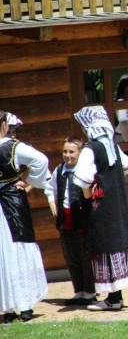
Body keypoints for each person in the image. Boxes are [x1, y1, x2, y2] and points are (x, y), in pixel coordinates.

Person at [73, 106, 128, 311]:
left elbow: (82, 178)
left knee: (105, 245)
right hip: (117, 203)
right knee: (115, 243)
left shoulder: (91, 149)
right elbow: (126, 166)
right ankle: (115, 298)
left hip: (101, 205)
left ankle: (112, 299)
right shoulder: (112, 145)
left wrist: (92, 188)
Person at [0, 111, 50, 323]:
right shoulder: (13, 146)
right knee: (18, 248)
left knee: (4, 252)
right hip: (12, 198)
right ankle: (25, 306)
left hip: (7, 201)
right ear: (4, 125)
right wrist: (29, 181)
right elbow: (41, 160)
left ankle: (9, 309)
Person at [44, 137, 96, 306]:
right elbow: (49, 188)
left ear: (80, 153)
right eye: (65, 151)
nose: (67, 155)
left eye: (71, 152)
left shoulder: (85, 170)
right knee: (70, 256)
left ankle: (89, 292)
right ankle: (78, 291)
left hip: (80, 218)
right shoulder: (59, 170)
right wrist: (52, 203)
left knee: (84, 256)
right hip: (65, 218)